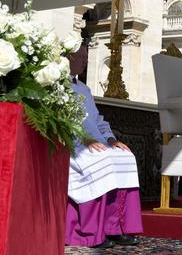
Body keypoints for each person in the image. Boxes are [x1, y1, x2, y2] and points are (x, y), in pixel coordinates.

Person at [63, 37, 142, 248]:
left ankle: (115, 228)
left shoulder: (84, 89)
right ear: (67, 57)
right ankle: (91, 232)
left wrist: (111, 140)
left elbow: (98, 120)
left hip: (97, 142)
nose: (84, 61)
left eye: (86, 57)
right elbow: (62, 122)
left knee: (125, 156)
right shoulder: (57, 88)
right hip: (74, 145)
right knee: (103, 160)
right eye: (80, 56)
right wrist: (86, 141)